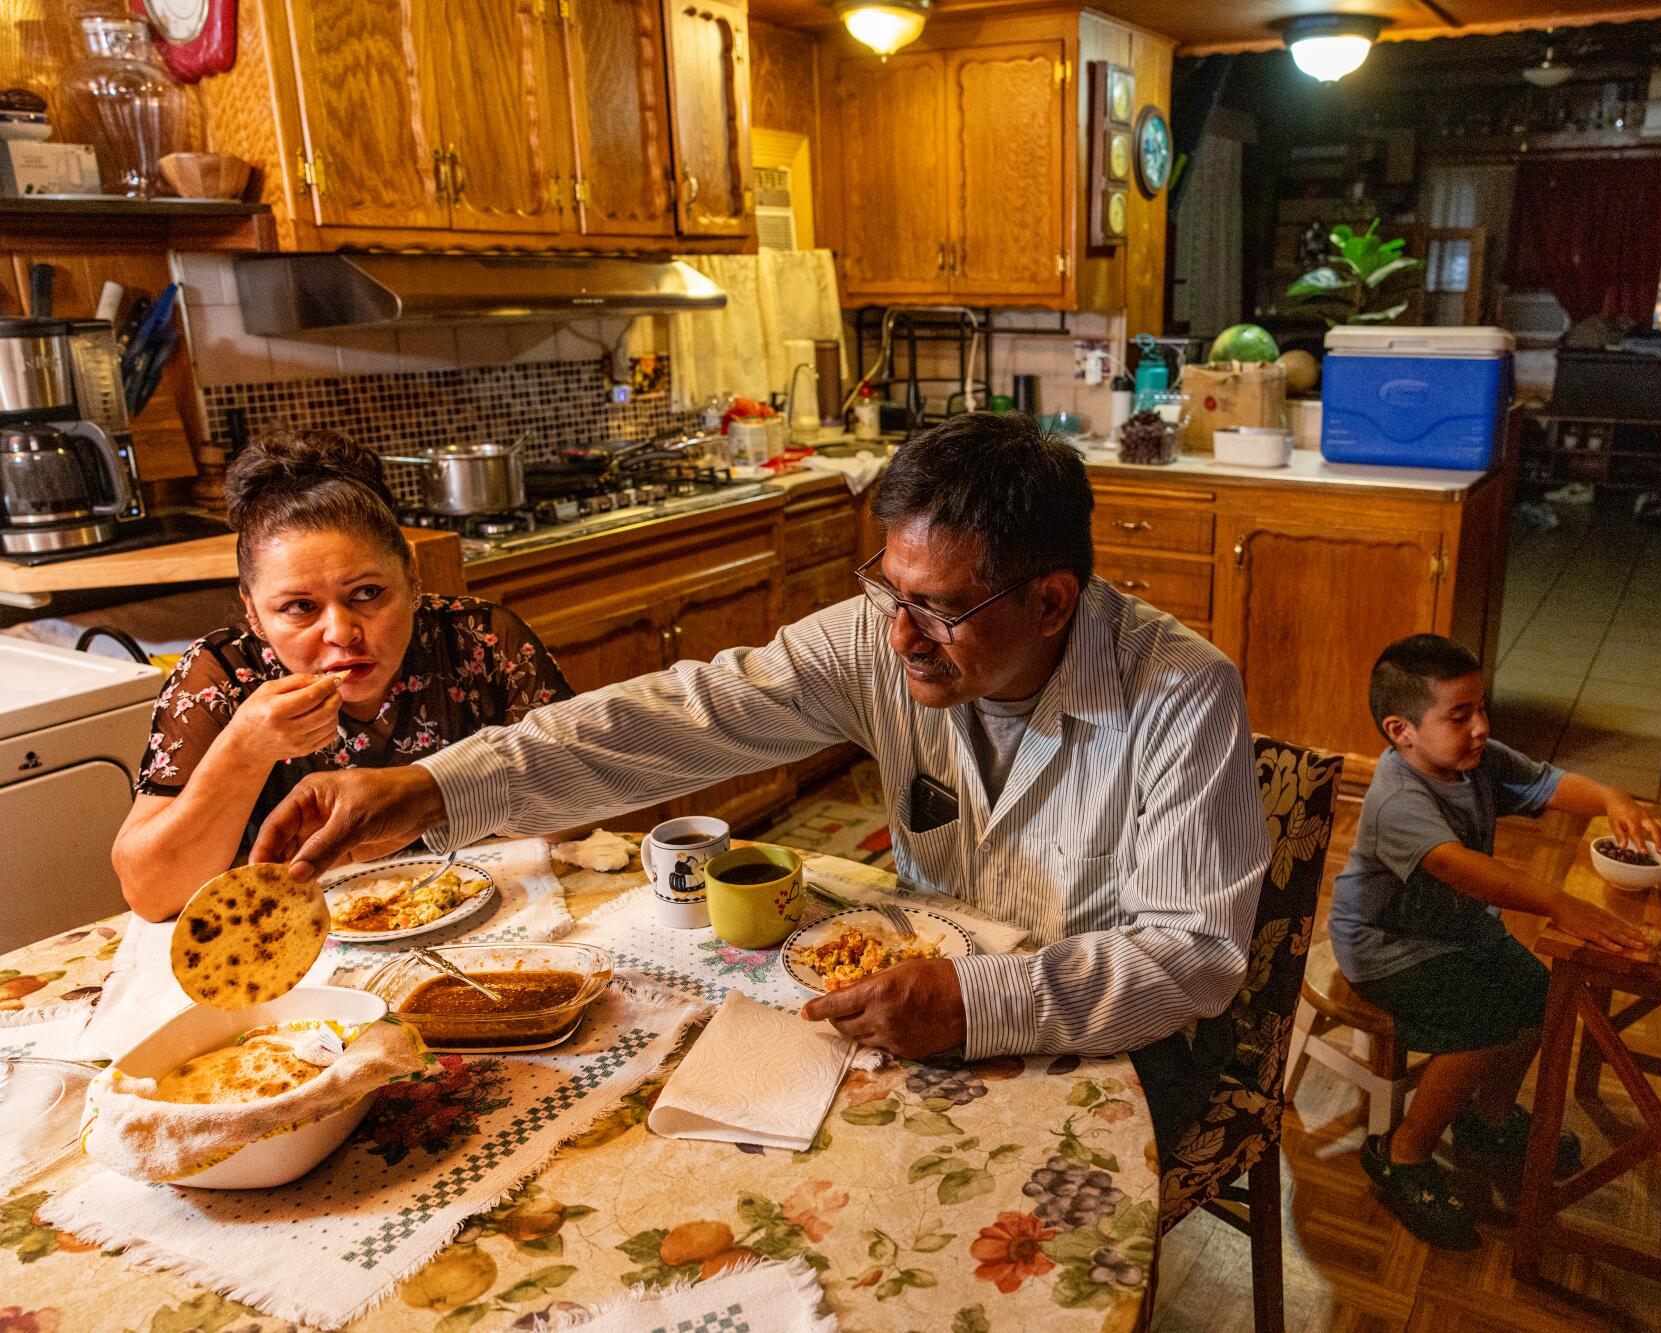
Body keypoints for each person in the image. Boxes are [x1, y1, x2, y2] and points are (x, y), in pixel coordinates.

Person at [250, 413, 1268, 1149]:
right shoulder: (891, 638)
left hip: (1117, 1052)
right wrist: (427, 788)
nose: (898, 636)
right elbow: (673, 713)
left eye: (938, 607)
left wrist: (976, 1001)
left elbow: (1194, 955)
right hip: (918, 1014)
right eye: (886, 588)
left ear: (1051, 601)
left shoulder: (1179, 693)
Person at [112, 430, 573, 921]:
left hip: (497, 918)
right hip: (302, 948)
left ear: (411, 576)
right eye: (299, 607)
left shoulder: (480, 641)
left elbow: (586, 802)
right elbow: (151, 894)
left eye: (368, 593)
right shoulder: (222, 676)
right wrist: (243, 751)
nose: (341, 632)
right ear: (252, 610)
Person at [1332, 633, 1661, 1250]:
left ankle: (1485, 1119)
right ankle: (1401, 1155)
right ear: (1401, 730)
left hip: (1458, 929)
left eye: (1481, 708)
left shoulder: (1473, 757)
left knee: (1543, 998)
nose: (1481, 727)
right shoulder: (1397, 798)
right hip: (1387, 947)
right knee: (1482, 1024)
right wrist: (1560, 904)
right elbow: (1461, 868)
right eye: (1460, 716)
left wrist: (1613, 798)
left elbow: (1550, 784)